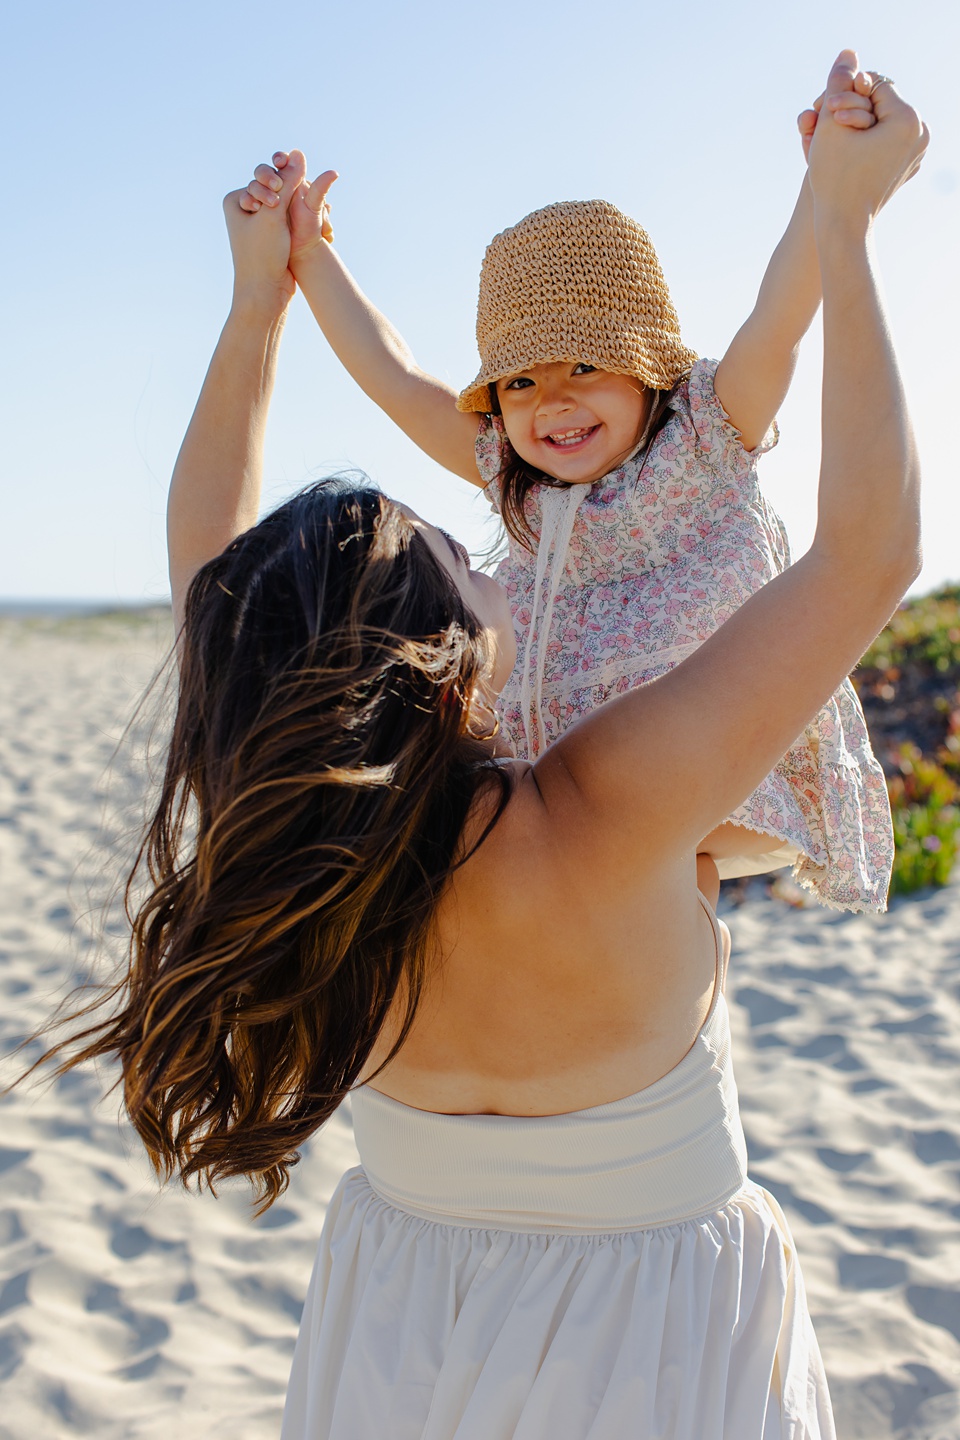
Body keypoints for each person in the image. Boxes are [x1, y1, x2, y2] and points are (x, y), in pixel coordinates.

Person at [65, 50, 925, 1440]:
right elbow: (873, 547)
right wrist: (849, 217)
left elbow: (212, 565)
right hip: (647, 1324)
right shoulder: (618, 809)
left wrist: (253, 312)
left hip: (404, 1299)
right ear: (450, 656)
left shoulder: (292, 818)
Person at [237, 62, 896, 914]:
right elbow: (395, 375)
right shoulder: (514, 476)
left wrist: (827, 184)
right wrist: (312, 254)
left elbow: (781, 312)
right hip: (568, 802)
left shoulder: (702, 432)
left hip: (727, 775)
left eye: (586, 364)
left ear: (647, 368)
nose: (552, 401)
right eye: (520, 383)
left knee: (663, 886)